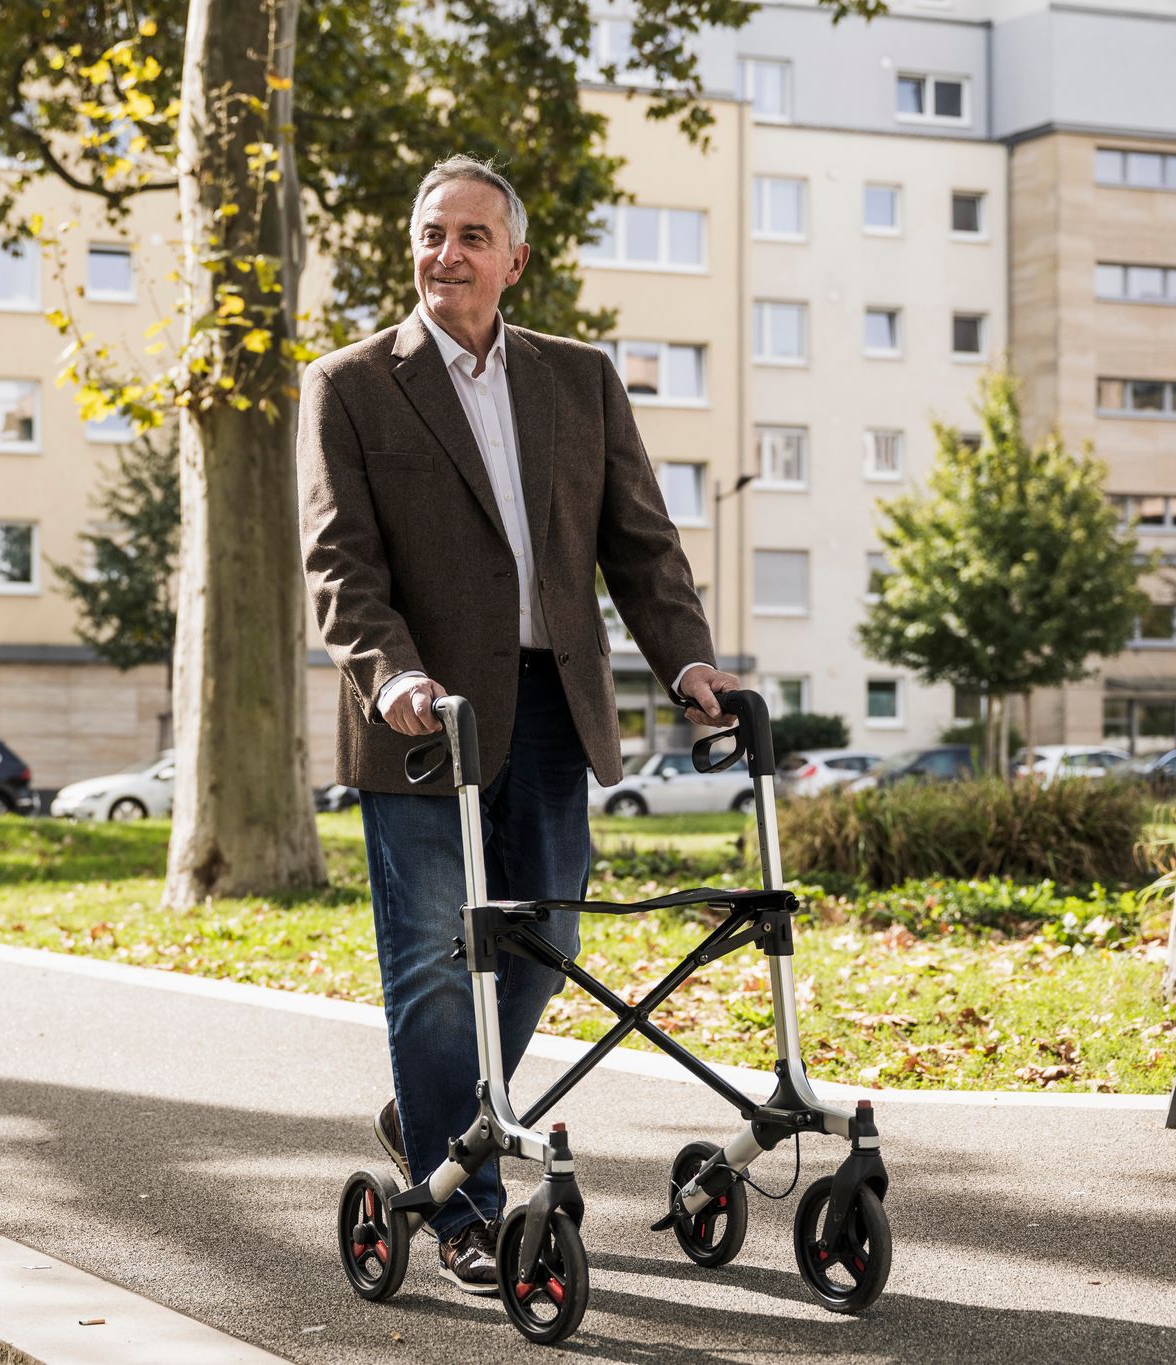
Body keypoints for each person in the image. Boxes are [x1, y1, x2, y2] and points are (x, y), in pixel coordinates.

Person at [297, 154, 738, 1295]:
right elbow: (339, 565)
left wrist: (686, 660)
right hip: (421, 722)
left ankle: (434, 1114)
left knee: (547, 945)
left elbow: (639, 543)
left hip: (551, 705)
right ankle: (467, 1208)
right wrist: (386, 674)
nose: (445, 253)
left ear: (514, 259)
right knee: (438, 961)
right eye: (429, 233)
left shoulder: (577, 379)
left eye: (469, 236)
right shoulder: (348, 384)